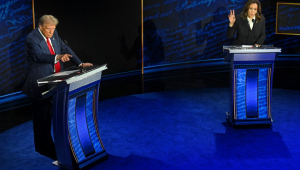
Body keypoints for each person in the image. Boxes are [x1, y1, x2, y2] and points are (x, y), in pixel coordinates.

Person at [22, 15, 93, 160]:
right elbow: (38, 56)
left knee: (59, 115)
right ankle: (43, 148)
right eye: (48, 29)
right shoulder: (32, 38)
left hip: (56, 83)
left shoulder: (54, 34)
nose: (51, 32)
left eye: (53, 29)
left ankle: (62, 147)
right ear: (40, 26)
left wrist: (79, 63)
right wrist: (57, 57)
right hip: (39, 85)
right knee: (42, 120)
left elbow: (65, 48)